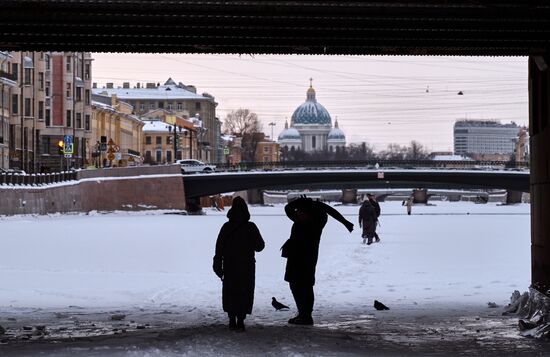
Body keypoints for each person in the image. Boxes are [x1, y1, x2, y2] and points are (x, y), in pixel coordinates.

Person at [281, 196, 354, 325]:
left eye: (301, 211)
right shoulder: (308, 221)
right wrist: (307, 203)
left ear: (308, 213)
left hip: (303, 257)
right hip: (301, 257)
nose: (297, 213)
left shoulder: (313, 223)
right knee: (300, 285)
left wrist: (306, 203)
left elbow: (289, 208)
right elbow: (289, 209)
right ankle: (304, 313)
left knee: (302, 286)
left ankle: (305, 315)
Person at [213, 196, 265, 331]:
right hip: (247, 266)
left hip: (230, 265)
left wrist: (217, 264)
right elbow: (260, 246)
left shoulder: (226, 227)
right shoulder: (251, 227)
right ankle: (241, 320)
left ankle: (231, 320)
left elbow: (219, 247)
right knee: (244, 291)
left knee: (231, 291)